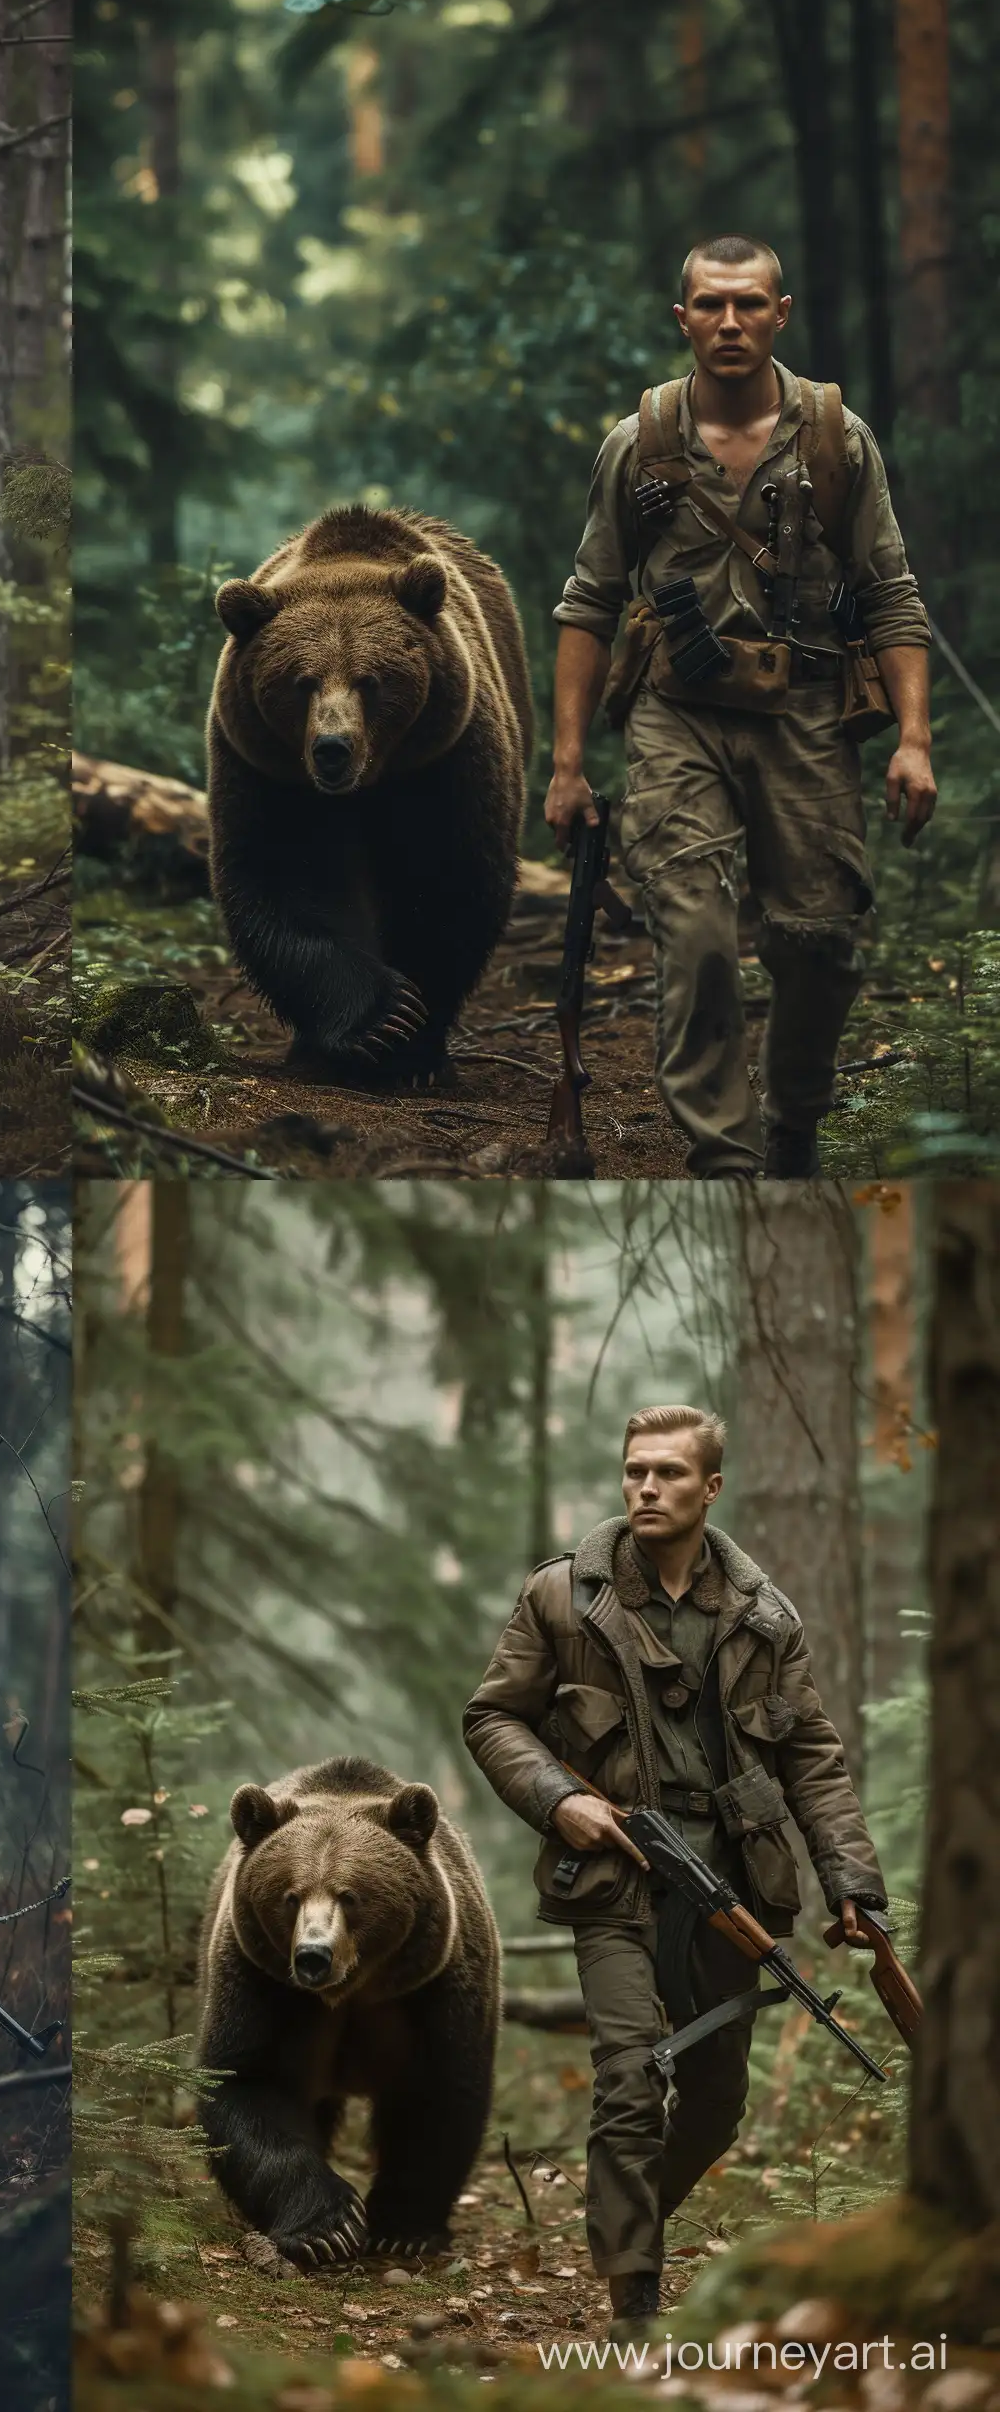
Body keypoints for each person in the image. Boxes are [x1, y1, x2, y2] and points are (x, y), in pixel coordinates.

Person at [461, 1406, 884, 2340]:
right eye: (633, 1472)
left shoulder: (764, 1618)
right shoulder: (563, 1597)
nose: (646, 1488)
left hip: (732, 1882)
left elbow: (812, 1754)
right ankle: (633, 2300)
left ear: (711, 1489)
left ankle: (627, 2219)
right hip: (615, 1872)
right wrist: (556, 1799)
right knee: (626, 2077)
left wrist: (851, 1882)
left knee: (719, 2099)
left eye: (668, 1474)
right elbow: (493, 1718)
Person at [546, 235, 934, 1178]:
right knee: (699, 932)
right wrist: (565, 764)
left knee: (817, 942)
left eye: (749, 304)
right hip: (677, 712)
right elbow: (590, 602)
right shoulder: (640, 444)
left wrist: (914, 740)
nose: (730, 322)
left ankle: (793, 1128)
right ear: (682, 317)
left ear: (780, 313)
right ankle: (722, 1159)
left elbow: (892, 595)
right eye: (711, 305)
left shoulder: (838, 440)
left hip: (806, 716)